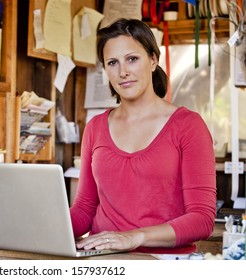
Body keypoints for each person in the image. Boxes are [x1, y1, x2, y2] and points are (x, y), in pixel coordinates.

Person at [70, 18, 217, 254]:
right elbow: (85, 209)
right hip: (102, 261)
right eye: (112, 63)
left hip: (164, 265)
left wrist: (134, 237)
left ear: (153, 60)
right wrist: (45, 225)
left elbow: (202, 219)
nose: (123, 71)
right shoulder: (95, 127)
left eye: (132, 59)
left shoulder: (188, 126)